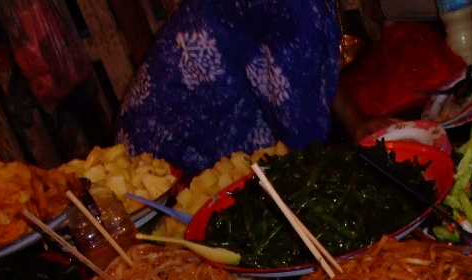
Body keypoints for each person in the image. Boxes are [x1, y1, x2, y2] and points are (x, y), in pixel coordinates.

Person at [116, 0, 382, 171]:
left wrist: (354, 120)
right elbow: (305, 144)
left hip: (212, 129)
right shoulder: (288, 11)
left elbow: (310, 64)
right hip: (165, 163)